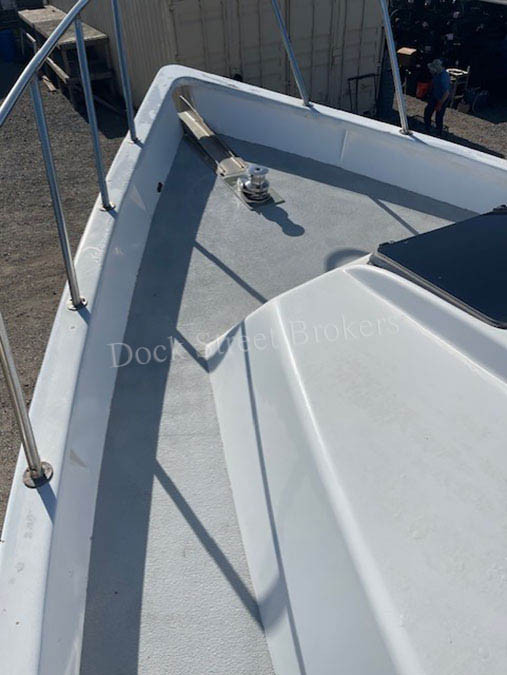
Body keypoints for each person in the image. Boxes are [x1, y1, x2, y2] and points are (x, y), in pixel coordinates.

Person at [424, 59, 451, 136]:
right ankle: (427, 128)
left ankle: (438, 133)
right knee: (427, 112)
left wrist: (439, 104)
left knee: (439, 116)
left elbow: (446, 93)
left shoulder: (444, 77)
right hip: (435, 95)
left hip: (442, 98)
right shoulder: (436, 74)